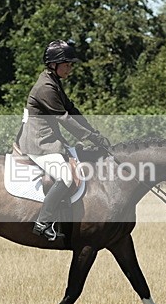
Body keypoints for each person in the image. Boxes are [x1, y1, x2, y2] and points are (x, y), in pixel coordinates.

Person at [16, 40, 112, 241]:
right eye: (66, 64)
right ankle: (43, 221)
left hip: (49, 139)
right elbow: (64, 118)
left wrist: (93, 132)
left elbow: (72, 110)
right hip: (39, 143)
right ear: (53, 64)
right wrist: (90, 137)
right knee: (66, 177)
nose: (70, 68)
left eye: (70, 65)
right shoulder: (45, 87)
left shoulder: (54, 82)